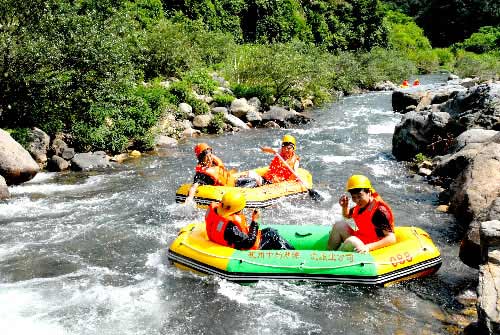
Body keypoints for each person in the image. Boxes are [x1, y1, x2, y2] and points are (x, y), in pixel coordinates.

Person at [205, 190, 294, 250]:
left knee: (269, 230)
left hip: (226, 239)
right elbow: (249, 243)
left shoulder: (215, 211)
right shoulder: (230, 227)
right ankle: (292, 256)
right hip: (245, 248)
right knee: (273, 235)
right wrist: (254, 221)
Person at [327, 175, 396, 253]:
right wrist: (344, 206)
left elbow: (391, 238)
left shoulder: (379, 211)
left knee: (352, 241)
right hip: (363, 238)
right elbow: (347, 215)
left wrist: (368, 247)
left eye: (359, 196)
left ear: (369, 192)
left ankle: (334, 261)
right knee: (339, 225)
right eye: (354, 197)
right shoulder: (362, 205)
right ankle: (328, 254)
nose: (357, 200)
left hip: (374, 246)